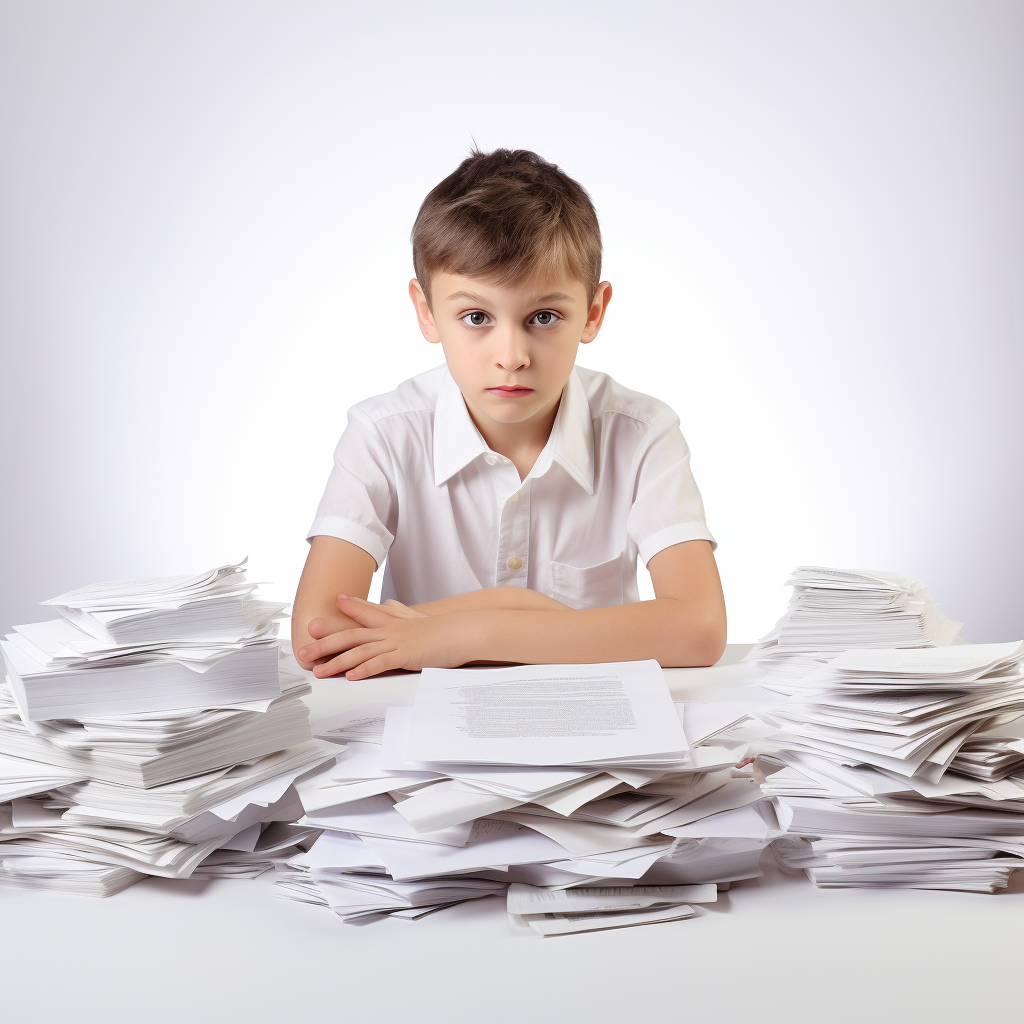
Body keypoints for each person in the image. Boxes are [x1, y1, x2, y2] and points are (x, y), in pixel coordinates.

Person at [292, 148, 726, 680]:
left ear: (593, 313)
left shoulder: (642, 434)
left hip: (598, 725)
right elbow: (319, 635)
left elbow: (701, 629)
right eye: (476, 316)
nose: (512, 355)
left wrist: (468, 632)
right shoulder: (383, 435)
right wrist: (527, 611)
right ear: (426, 312)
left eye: (544, 316)